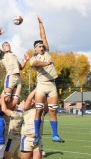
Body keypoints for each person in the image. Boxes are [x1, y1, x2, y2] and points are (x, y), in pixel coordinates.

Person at [29, 16, 64, 144]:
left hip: (52, 84)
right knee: (38, 110)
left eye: (43, 46)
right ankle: (36, 135)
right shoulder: (33, 58)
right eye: (39, 46)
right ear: (35, 48)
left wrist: (41, 24)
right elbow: (37, 63)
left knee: (53, 110)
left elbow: (43, 36)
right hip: (42, 85)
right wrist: (47, 64)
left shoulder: (47, 52)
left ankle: (55, 135)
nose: (42, 47)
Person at [0, 27, 30, 109]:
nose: (8, 46)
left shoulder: (14, 56)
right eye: (6, 45)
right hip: (11, 76)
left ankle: (6, 114)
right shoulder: (3, 54)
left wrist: (25, 60)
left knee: (15, 100)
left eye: (9, 44)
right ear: (3, 48)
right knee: (6, 98)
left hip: (18, 78)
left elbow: (21, 67)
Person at [19, 89, 44, 159]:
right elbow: (29, 99)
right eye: (32, 100)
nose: (33, 101)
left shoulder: (41, 110)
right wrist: (37, 88)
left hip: (38, 139)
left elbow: (45, 102)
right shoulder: (26, 110)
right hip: (27, 139)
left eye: (35, 99)